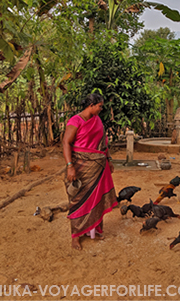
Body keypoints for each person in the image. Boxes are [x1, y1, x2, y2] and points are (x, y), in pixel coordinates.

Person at [62, 92, 118, 250]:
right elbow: (66, 143)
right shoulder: (76, 120)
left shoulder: (97, 120)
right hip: (80, 167)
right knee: (78, 201)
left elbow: (103, 142)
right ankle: (76, 236)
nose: (101, 109)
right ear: (91, 105)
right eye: (99, 106)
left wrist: (109, 159)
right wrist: (70, 166)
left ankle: (94, 229)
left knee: (96, 198)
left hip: (98, 166)